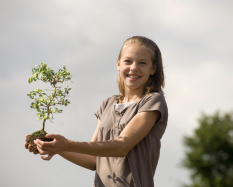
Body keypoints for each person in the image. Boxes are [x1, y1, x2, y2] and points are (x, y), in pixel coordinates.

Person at [25, 36, 168, 187]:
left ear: (153, 68)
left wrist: (66, 145)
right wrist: (56, 147)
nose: (133, 67)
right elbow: (93, 159)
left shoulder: (153, 101)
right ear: (118, 64)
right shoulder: (107, 104)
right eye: (128, 61)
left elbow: (122, 146)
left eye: (142, 63)